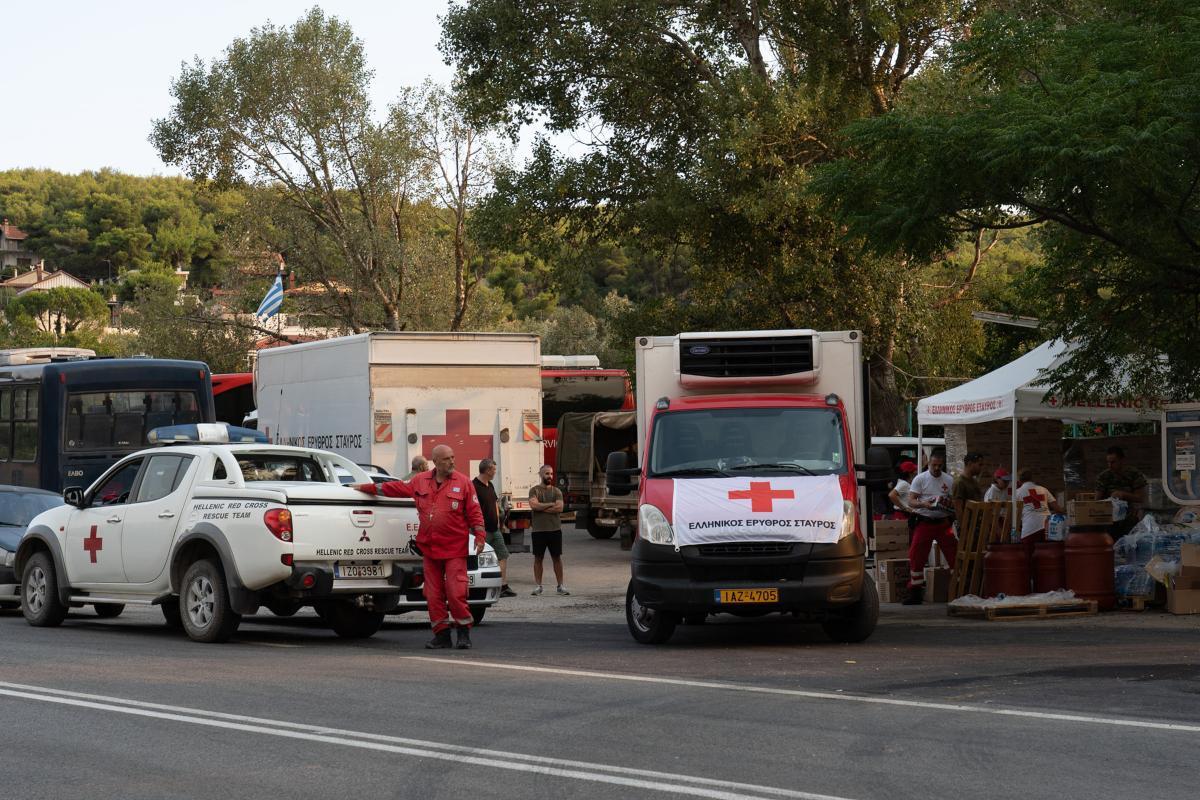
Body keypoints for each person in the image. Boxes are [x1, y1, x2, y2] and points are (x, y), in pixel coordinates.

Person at [351, 444, 485, 650]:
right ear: (436, 462)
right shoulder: (420, 481)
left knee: (456, 591)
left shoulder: (464, 482)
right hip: (430, 549)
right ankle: (441, 635)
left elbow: (475, 512)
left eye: (453, 457)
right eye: (447, 458)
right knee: (432, 594)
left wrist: (480, 536)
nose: (452, 461)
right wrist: (364, 488)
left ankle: (463, 633)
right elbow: (393, 489)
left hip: (454, 549)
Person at [904, 452, 957, 604]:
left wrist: (948, 505)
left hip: (943, 522)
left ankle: (957, 590)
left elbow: (953, 501)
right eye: (934, 465)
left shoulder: (949, 480)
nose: (937, 468)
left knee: (953, 553)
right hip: (925, 521)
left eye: (940, 465)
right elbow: (911, 501)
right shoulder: (920, 479)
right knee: (916, 555)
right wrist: (923, 504)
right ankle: (915, 592)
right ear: (928, 464)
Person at [473, 458, 516, 598]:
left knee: (502, 555)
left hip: (494, 529)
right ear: (487, 470)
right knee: (477, 558)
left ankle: (503, 586)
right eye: (494, 470)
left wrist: (499, 523)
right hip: (481, 530)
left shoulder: (490, 485)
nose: (495, 472)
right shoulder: (473, 486)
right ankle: (477, 586)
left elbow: (495, 505)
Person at [529, 464, 569, 596]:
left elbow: (560, 508)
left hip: (554, 530)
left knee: (556, 558)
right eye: (547, 473)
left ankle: (560, 586)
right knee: (538, 558)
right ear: (540, 475)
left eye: (551, 474)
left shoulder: (556, 491)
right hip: (538, 531)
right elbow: (534, 505)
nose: (549, 476)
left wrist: (542, 507)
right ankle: (538, 586)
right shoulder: (534, 490)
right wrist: (551, 504)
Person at [1013, 467, 1063, 564]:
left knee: (1029, 560)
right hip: (1047, 527)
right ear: (1032, 478)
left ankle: (1032, 578)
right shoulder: (1043, 489)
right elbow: (1058, 509)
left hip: (1029, 529)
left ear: (1019, 480)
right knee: (1046, 560)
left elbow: (1015, 515)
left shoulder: (1017, 493)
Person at [1096, 445, 1148, 538]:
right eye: (1108, 462)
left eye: (1113, 462)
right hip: (1109, 521)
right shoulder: (1104, 476)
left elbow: (1141, 498)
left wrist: (1123, 495)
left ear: (1122, 460)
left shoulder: (1133, 474)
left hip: (1130, 519)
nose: (1110, 465)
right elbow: (1097, 500)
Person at [951, 452, 985, 524]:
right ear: (970, 464)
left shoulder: (975, 482)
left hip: (977, 524)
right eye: (980, 465)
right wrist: (964, 529)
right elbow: (958, 508)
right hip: (967, 526)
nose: (982, 468)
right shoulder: (960, 483)